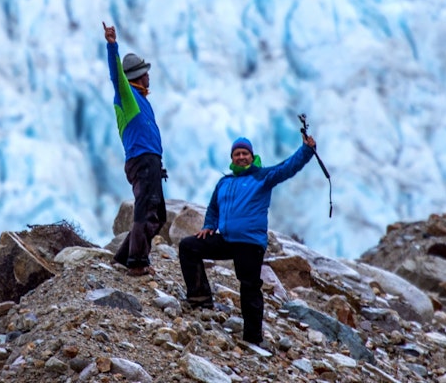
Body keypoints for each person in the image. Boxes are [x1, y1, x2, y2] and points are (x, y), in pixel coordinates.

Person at [178, 133, 316, 345]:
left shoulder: (262, 176)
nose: (241, 157)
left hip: (250, 243)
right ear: (232, 158)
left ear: (252, 156)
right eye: (237, 154)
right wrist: (208, 226)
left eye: (245, 153)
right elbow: (213, 207)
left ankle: (252, 338)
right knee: (189, 246)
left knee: (249, 286)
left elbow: (287, 167)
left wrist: (306, 151)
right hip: (226, 239)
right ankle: (199, 298)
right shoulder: (224, 182)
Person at [102, 22, 166, 277]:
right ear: (137, 76)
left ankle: (123, 257)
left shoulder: (142, 101)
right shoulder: (127, 96)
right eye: (145, 72)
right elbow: (116, 75)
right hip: (142, 159)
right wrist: (112, 46)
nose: (149, 75)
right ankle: (137, 261)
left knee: (157, 213)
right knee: (145, 208)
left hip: (150, 161)